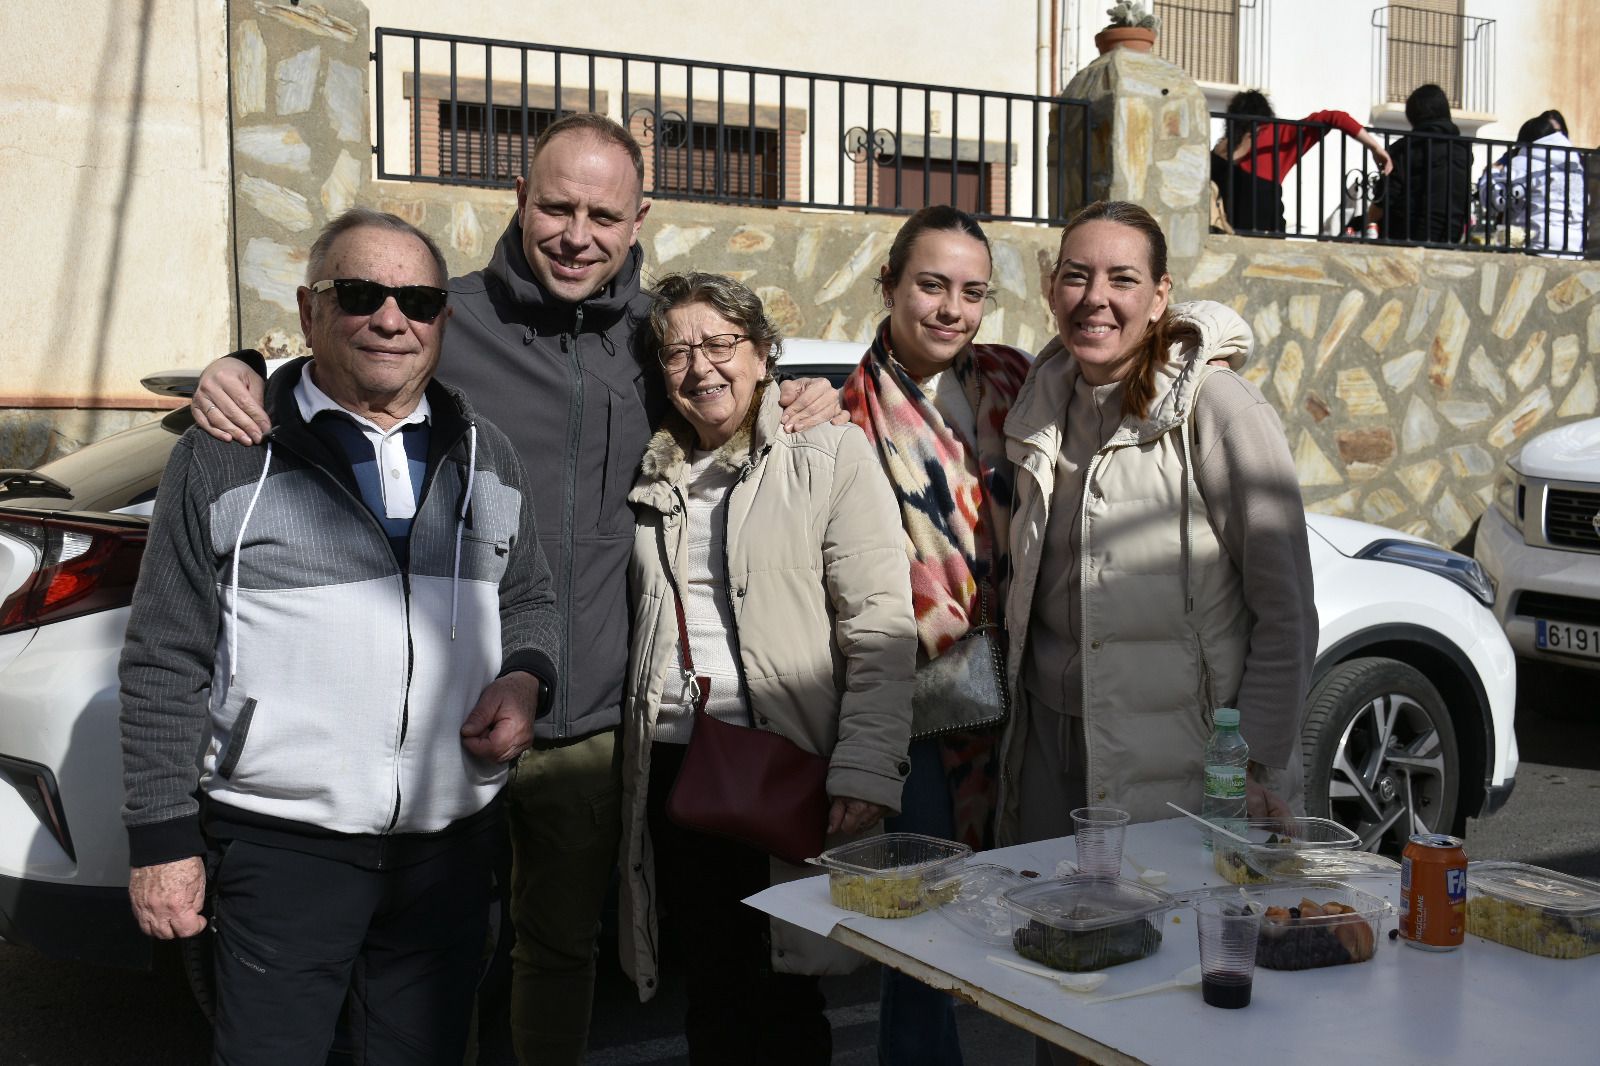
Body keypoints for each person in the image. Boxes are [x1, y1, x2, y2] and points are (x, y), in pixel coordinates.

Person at [189, 114, 840, 1064]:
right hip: (439, 712)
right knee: (437, 957)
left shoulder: (655, 339)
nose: (578, 234)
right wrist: (236, 366)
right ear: (519, 201)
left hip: (587, 721)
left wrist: (803, 396)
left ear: (639, 220)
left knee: (558, 948)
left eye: (603, 215)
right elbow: (329, 358)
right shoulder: (438, 312)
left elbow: (731, 397)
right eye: (557, 207)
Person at [119, 208, 562, 1065]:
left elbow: (532, 598)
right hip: (283, 854)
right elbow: (164, 655)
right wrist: (161, 842)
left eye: (419, 300)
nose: (391, 319)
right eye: (360, 293)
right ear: (309, 307)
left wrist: (525, 679)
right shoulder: (227, 453)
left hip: (447, 851)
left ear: (442, 320)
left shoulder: (487, 453)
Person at [617, 272, 916, 1065]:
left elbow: (880, 625)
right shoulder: (652, 471)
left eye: (721, 344)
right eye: (677, 350)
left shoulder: (829, 453)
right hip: (680, 769)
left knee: (786, 997)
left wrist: (866, 769)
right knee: (712, 995)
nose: (700, 368)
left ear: (762, 357)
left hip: (789, 762)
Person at [996, 197, 1316, 868]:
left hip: (1186, 757)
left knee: (1165, 946)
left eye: (1123, 279)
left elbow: (1286, 610)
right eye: (1077, 276)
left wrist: (1254, 763)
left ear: (1160, 294)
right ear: (1052, 288)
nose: (1095, 299)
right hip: (1049, 742)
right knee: (1052, 946)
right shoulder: (1040, 403)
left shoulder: (1219, 407)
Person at [839, 205, 1030, 1066]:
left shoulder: (1015, 382)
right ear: (889, 286)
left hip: (1018, 695)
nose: (951, 308)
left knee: (1039, 915)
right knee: (916, 936)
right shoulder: (843, 411)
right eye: (931, 285)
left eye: (971, 292)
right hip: (913, 710)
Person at [1211, 89, 1393, 235]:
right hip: (1266, 229)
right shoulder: (1279, 134)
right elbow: (1335, 117)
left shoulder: (1221, 148)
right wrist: (1375, 148)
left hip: (1226, 231)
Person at [1371, 83, 1473, 244]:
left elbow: (1386, 197)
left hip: (1407, 235)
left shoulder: (1407, 148)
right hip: (1451, 234)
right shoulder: (1462, 150)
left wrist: (1364, 221)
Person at [1478, 109, 1587, 258]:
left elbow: (1497, 200)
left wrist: (1491, 174)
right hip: (1574, 247)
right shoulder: (1575, 166)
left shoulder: (1525, 162)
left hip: (1538, 244)